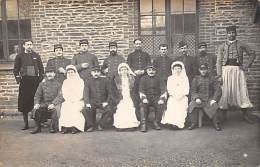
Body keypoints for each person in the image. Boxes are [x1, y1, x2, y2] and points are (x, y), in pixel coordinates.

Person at [217, 25, 256, 124]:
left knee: (241, 91)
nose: (231, 34)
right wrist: (219, 75)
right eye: (229, 33)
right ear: (226, 34)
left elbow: (252, 53)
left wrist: (246, 66)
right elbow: (219, 61)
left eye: (233, 32)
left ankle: (245, 114)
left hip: (238, 70)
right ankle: (223, 115)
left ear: (236, 33)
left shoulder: (241, 44)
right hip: (226, 70)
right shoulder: (222, 46)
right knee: (225, 91)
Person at [13, 40, 44, 130]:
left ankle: (38, 123)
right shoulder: (20, 56)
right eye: (27, 45)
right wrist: (19, 79)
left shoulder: (36, 55)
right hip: (25, 81)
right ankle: (26, 124)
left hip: (35, 81)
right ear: (24, 46)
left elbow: (41, 68)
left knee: (36, 101)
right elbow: (16, 69)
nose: (29, 46)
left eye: (31, 44)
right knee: (24, 102)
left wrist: (40, 79)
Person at [188, 63, 222, 131]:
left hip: (209, 98)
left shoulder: (212, 78)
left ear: (207, 70)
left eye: (205, 69)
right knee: (192, 104)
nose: (203, 71)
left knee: (214, 105)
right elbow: (193, 91)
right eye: (201, 69)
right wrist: (196, 98)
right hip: (199, 99)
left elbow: (218, 89)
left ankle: (216, 123)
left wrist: (214, 99)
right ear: (199, 70)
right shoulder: (196, 79)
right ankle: (193, 123)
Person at [30, 68, 61, 134]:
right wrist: (36, 103)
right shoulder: (42, 84)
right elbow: (37, 95)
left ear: (54, 74)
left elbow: (60, 95)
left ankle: (53, 126)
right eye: (48, 73)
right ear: (46, 74)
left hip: (55, 103)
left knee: (56, 110)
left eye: (51, 72)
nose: (49, 74)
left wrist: (53, 104)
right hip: (45, 103)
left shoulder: (58, 84)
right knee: (37, 109)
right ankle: (37, 127)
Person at [56, 65, 85, 134]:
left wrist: (75, 99)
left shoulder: (80, 81)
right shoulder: (65, 82)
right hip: (68, 100)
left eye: (72, 72)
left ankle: (74, 127)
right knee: (65, 107)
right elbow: (64, 92)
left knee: (75, 108)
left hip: (78, 100)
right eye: (68, 72)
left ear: (75, 73)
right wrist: (69, 99)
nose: (70, 74)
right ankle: (65, 127)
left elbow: (82, 92)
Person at [127, 38, 151, 121]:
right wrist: (134, 71)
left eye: (140, 43)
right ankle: (137, 117)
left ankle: (146, 117)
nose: (138, 45)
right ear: (134, 45)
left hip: (144, 77)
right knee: (136, 96)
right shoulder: (130, 55)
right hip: (134, 78)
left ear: (142, 45)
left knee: (145, 94)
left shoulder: (146, 55)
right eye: (136, 44)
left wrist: (144, 70)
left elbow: (149, 65)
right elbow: (128, 66)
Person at [139, 62, 167, 132]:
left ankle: (156, 122)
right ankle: (143, 124)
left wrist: (162, 99)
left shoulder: (159, 78)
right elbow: (141, 89)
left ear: (155, 71)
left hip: (156, 97)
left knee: (161, 104)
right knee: (142, 105)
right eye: (149, 70)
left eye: (153, 70)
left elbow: (163, 89)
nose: (151, 71)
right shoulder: (143, 78)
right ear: (147, 71)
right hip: (146, 97)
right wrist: (144, 98)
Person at [84, 66, 113, 132]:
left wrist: (107, 102)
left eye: (98, 72)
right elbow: (86, 93)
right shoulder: (88, 81)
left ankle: (101, 124)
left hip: (103, 102)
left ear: (100, 73)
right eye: (94, 72)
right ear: (91, 73)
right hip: (92, 102)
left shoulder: (105, 80)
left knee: (109, 110)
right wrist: (87, 103)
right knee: (86, 109)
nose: (96, 73)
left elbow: (110, 93)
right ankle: (91, 125)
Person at [161, 61, 189, 129]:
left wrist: (181, 95)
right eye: (175, 68)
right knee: (172, 105)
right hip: (173, 97)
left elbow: (187, 89)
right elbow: (169, 89)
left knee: (180, 107)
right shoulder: (170, 78)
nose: (177, 70)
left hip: (182, 97)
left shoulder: (185, 78)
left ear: (181, 69)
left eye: (179, 68)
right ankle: (171, 122)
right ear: (173, 69)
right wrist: (174, 95)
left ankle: (178, 123)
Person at [111, 63, 139, 130]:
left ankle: (131, 125)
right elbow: (113, 90)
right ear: (119, 71)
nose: (124, 71)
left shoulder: (132, 78)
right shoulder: (116, 79)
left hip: (130, 96)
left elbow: (136, 90)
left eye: (125, 69)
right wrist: (117, 99)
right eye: (122, 70)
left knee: (130, 108)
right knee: (121, 108)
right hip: (120, 97)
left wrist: (134, 97)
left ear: (128, 70)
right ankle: (120, 126)